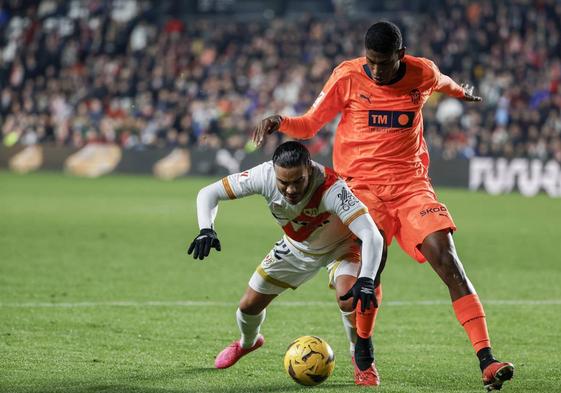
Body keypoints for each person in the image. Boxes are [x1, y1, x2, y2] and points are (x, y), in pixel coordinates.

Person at [252, 21, 514, 391]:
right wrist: (281, 121)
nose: (376, 70)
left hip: (410, 187)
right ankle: (364, 354)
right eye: (371, 61)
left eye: (383, 62)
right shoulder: (347, 76)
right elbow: (311, 123)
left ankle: (487, 359)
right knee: (371, 271)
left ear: (400, 55)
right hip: (361, 189)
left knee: (448, 258)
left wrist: (463, 94)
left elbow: (445, 83)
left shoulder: (422, 73)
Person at [188, 141, 385, 386]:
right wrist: (206, 229)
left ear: (309, 171)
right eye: (284, 183)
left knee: (349, 297)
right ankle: (248, 343)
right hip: (296, 247)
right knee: (248, 306)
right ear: (274, 173)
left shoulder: (333, 188)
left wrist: (366, 278)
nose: (290, 189)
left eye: (297, 181)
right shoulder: (263, 175)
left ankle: (360, 357)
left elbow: (371, 234)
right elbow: (208, 193)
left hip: (341, 248)